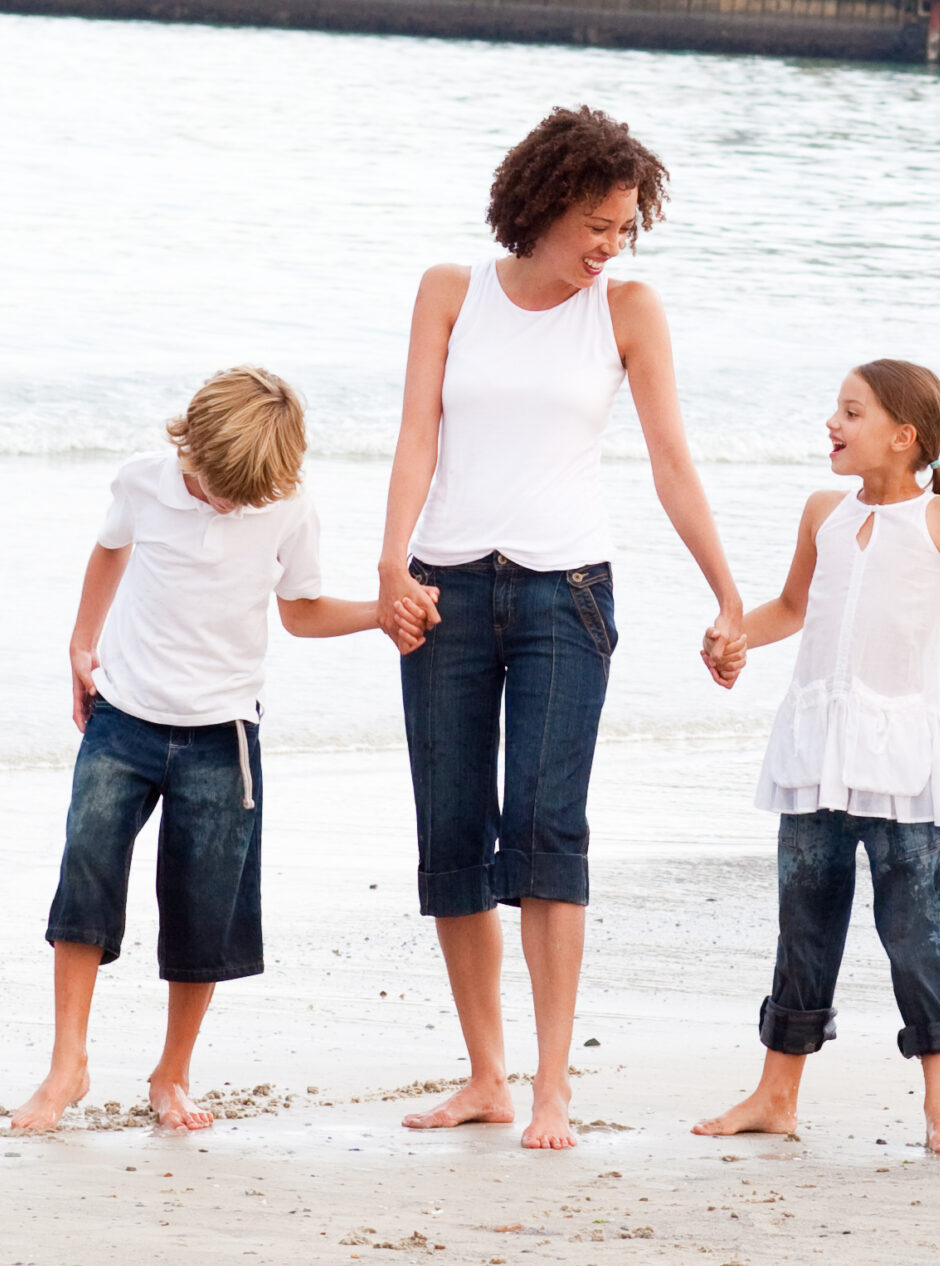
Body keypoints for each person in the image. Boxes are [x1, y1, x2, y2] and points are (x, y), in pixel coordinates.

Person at [378, 106, 746, 1150]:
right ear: (541, 205)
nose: (608, 246)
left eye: (624, 228)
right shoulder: (449, 291)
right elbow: (414, 436)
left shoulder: (627, 311)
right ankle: (486, 1077)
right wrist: (390, 563)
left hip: (566, 594)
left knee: (547, 834)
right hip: (443, 590)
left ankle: (550, 1087)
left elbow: (671, 461)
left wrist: (726, 593)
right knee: (452, 835)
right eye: (594, 224)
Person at [692, 361, 940, 1154]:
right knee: (804, 926)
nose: (832, 424)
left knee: (919, 930)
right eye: (836, 410)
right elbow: (793, 609)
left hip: (900, 762)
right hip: (814, 753)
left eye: (852, 412)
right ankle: (776, 1096)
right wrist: (735, 637)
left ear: (904, 436)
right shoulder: (822, 513)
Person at [7, 367, 392, 1133]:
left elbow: (301, 613)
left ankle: (172, 1074)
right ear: (188, 447)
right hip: (123, 717)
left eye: (242, 497)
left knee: (202, 906)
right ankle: (67, 1065)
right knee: (85, 872)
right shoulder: (143, 481)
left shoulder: (287, 507)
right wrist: (81, 643)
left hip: (223, 735)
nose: (225, 505)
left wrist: (382, 613)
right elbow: (109, 550)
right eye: (214, 488)